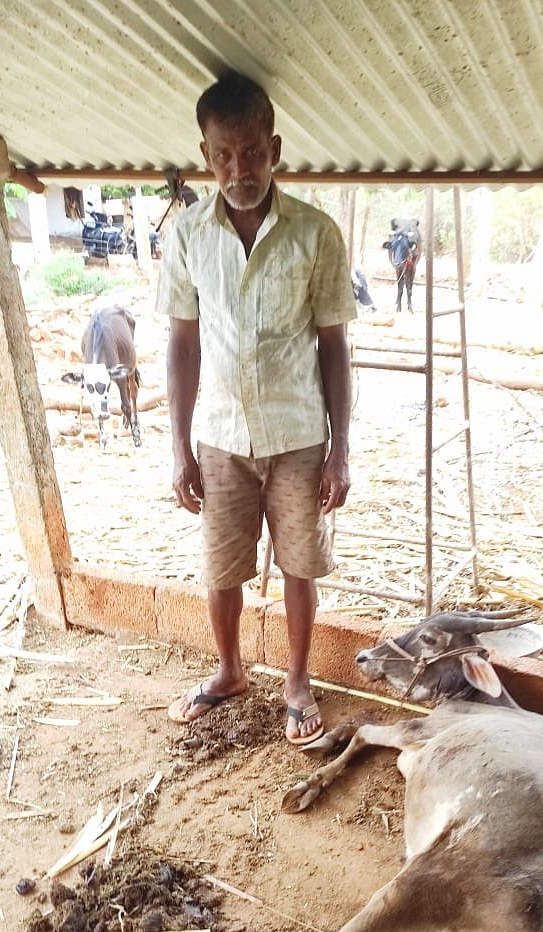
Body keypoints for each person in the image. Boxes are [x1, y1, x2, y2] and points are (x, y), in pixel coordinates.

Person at [156, 71, 356, 745]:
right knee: (220, 569)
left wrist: (342, 449)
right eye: (222, 154)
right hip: (219, 436)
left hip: (298, 434)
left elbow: (334, 346)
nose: (237, 168)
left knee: (299, 565)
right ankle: (230, 670)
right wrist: (179, 445)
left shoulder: (316, 233)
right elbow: (182, 343)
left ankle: (297, 683)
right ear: (206, 154)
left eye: (250, 151)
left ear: (274, 148)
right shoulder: (187, 235)